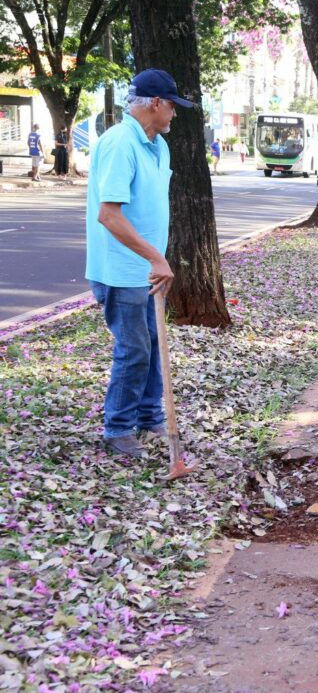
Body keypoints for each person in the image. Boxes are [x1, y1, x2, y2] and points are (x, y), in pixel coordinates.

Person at [85, 68, 193, 457]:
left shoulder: (158, 145)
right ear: (155, 103)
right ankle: (117, 428)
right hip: (120, 269)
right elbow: (109, 215)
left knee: (151, 345)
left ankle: (149, 418)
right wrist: (155, 256)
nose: (175, 115)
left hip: (148, 270)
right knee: (135, 349)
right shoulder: (119, 144)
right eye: (172, 107)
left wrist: (156, 260)